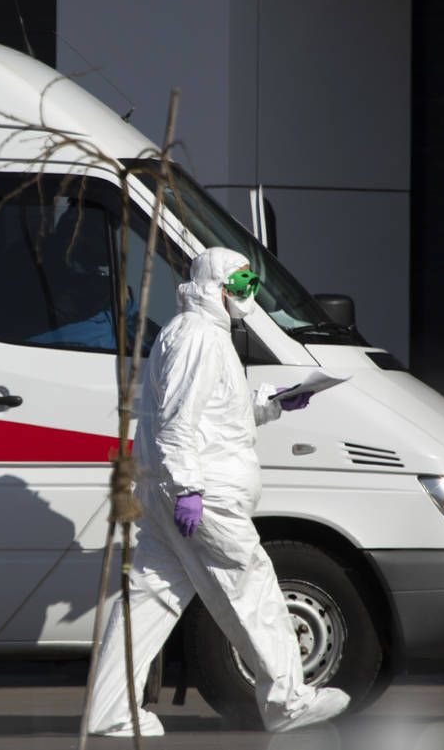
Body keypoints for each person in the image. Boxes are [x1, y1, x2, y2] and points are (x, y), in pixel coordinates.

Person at [87, 246, 350, 737]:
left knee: (150, 598)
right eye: (242, 283)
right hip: (202, 494)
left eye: (252, 284)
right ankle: (287, 702)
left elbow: (214, 414)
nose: (249, 294)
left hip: (179, 493)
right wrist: (189, 487)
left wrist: (273, 402)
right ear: (217, 286)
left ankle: (110, 710)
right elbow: (177, 423)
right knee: (251, 587)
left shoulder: (195, 335)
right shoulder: (198, 339)